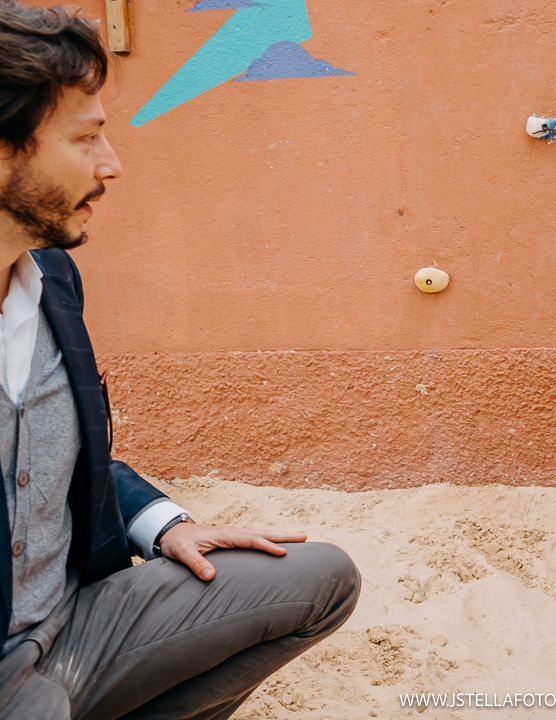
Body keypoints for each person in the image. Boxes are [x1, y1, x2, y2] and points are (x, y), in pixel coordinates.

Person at [0, 4, 360, 717]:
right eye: (86, 139)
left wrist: (164, 525)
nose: (113, 165)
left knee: (322, 579)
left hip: (72, 628)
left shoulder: (51, 279)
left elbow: (51, 455)